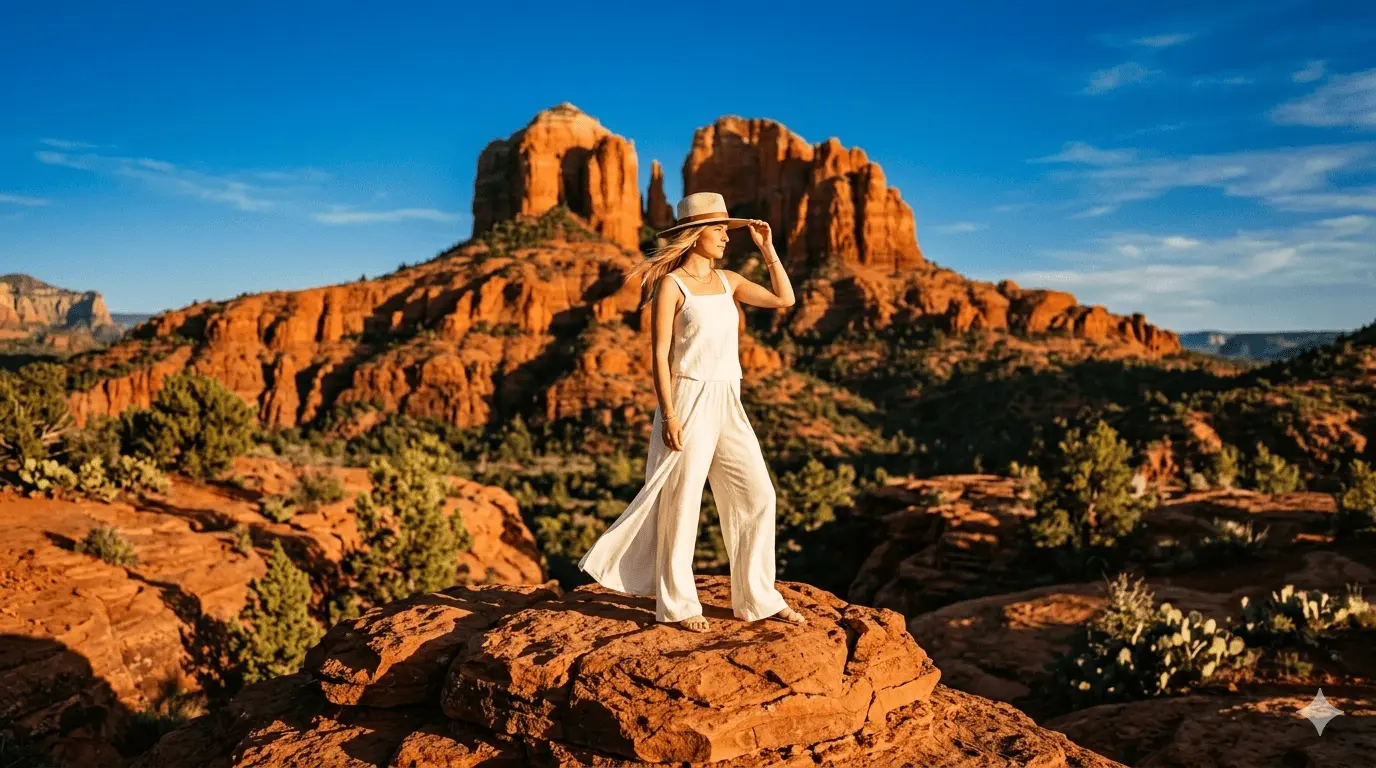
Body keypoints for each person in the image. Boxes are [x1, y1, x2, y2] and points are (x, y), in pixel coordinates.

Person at [577, 192, 808, 632]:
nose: (725, 236)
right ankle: (679, 606)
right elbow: (660, 355)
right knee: (682, 503)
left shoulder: (730, 281)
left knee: (758, 494)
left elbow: (785, 300)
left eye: (726, 228)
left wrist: (768, 249)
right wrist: (670, 414)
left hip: (729, 398)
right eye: (718, 228)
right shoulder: (672, 285)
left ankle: (757, 597)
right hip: (687, 398)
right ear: (694, 234)